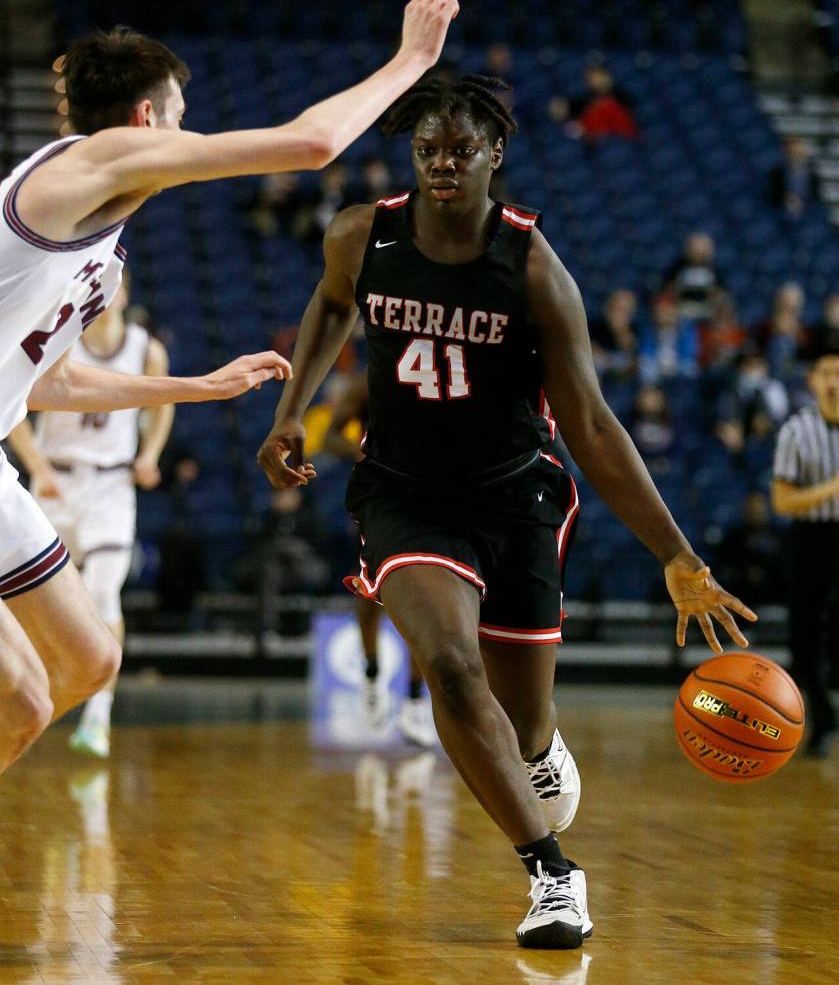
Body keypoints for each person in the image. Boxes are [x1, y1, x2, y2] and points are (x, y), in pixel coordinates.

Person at [257, 74, 756, 949]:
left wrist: (676, 553)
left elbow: (593, 424)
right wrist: (290, 408)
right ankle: (552, 876)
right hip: (403, 491)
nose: (443, 164)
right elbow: (332, 302)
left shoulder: (531, 267)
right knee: (450, 667)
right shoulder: (360, 235)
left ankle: (537, 749)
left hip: (514, 493)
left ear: (496, 154)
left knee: (522, 723)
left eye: (460, 150)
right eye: (428, 150)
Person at [0, 0, 459, 774]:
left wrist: (196, 387)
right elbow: (311, 144)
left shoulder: (99, 258)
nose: (186, 135)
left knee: (72, 675)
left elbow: (46, 384)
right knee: (39, 686)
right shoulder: (96, 157)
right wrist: (411, 63)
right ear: (147, 119)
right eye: (179, 117)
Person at [6, 270, 172, 758]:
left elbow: (161, 407)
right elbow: (12, 411)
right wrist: (37, 465)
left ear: (124, 293)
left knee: (104, 595)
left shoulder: (146, 349)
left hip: (111, 486)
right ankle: (25, 698)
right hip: (54, 480)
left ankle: (98, 718)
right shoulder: (58, 340)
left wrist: (150, 453)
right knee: (28, 608)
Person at [323, 370, 436, 747]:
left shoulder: (445, 375)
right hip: (381, 499)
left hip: (433, 494)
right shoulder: (367, 382)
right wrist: (368, 455)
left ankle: (416, 700)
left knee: (427, 601)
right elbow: (330, 435)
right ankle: (372, 675)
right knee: (373, 593)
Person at [771, 348, 839, 758]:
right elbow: (782, 501)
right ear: (812, 381)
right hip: (811, 539)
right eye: (825, 372)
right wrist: (832, 488)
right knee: (804, 639)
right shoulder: (796, 430)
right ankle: (823, 721)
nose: (833, 380)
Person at [662, 231, 723, 321]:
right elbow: (667, 292)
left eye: (702, 250)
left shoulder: (714, 270)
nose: (698, 253)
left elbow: (721, 294)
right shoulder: (676, 269)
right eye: (696, 249)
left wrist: (712, 292)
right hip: (681, 312)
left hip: (708, 312)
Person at [769, 136, 820, 219]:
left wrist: (802, 205)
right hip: (782, 213)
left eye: (797, 152)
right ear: (786, 154)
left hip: (806, 211)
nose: (795, 154)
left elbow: (815, 198)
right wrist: (787, 200)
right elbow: (773, 197)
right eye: (791, 152)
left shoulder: (812, 174)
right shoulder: (777, 173)